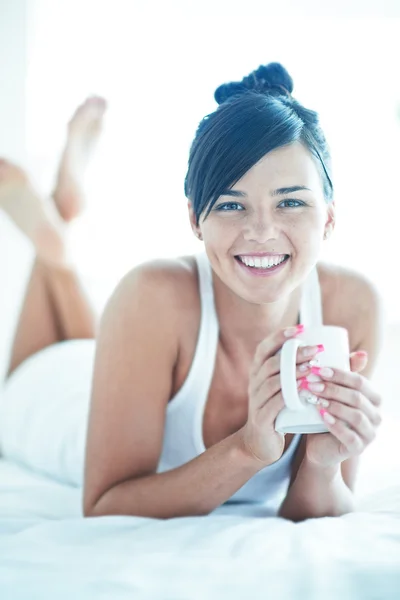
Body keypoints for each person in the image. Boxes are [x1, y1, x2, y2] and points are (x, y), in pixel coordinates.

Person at [0, 96, 106, 375]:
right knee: (84, 379)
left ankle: (59, 219)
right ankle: (58, 225)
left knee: (86, 372)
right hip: (34, 395)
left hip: (46, 387)